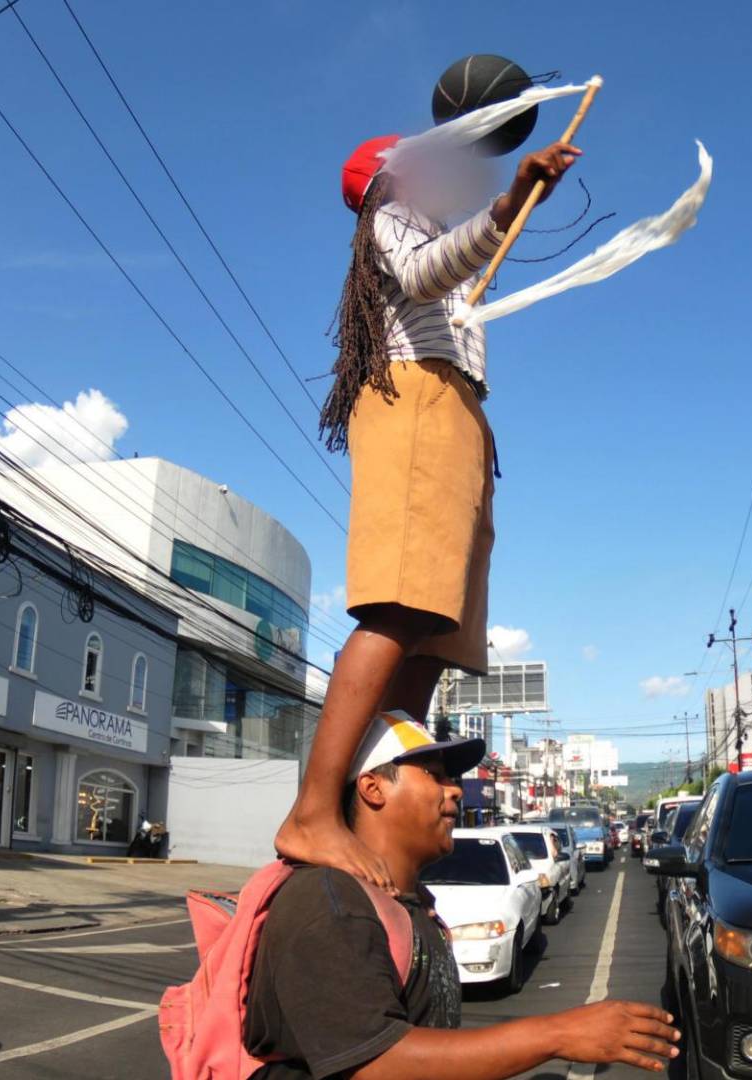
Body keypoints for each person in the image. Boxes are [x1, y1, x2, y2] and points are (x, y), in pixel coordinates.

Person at [274, 56, 581, 892]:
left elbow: (454, 266)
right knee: (399, 605)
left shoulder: (433, 235)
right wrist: (511, 198)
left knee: (435, 640)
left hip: (458, 412)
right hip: (415, 405)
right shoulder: (392, 217)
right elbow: (423, 270)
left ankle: (375, 809)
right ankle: (313, 809)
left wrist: (515, 204)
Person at [246, 711, 679, 1078]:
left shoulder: (405, 898)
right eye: (433, 775)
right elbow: (375, 1062)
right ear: (373, 788)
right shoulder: (329, 902)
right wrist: (559, 1035)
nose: (454, 788)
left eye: (451, 777)